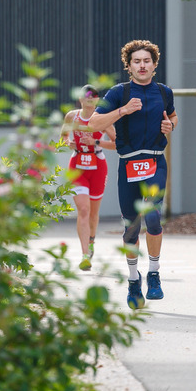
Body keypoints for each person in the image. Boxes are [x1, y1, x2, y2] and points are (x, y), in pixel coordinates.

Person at [87, 39, 178, 309]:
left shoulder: (164, 91)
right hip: (128, 163)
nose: (142, 65)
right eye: (136, 61)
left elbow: (173, 117)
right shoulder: (118, 92)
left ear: (154, 64)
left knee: (152, 216)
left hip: (155, 162)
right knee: (131, 226)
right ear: (129, 65)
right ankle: (133, 279)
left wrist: (169, 125)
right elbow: (93, 123)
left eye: (146, 61)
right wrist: (123, 111)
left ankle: (154, 273)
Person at [61, 84, 116, 271]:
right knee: (83, 210)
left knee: (93, 212)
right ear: (81, 99)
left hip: (97, 167)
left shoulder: (103, 120)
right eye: (86, 97)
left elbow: (117, 144)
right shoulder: (72, 116)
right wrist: (69, 142)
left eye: (93, 97)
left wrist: (96, 141)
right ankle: (85, 255)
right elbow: (63, 136)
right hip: (77, 167)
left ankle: (91, 240)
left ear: (97, 100)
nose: (89, 100)